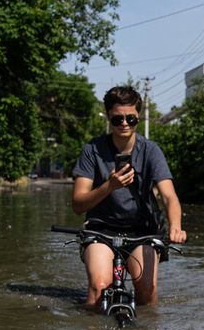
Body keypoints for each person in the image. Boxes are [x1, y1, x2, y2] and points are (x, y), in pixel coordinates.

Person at [72, 85, 187, 307]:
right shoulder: (91, 150)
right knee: (98, 287)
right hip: (101, 228)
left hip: (142, 231)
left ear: (138, 117)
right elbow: (78, 204)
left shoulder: (151, 150)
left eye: (131, 119)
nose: (124, 124)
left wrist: (176, 226)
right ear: (108, 117)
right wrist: (109, 186)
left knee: (146, 290)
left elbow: (169, 196)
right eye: (117, 119)